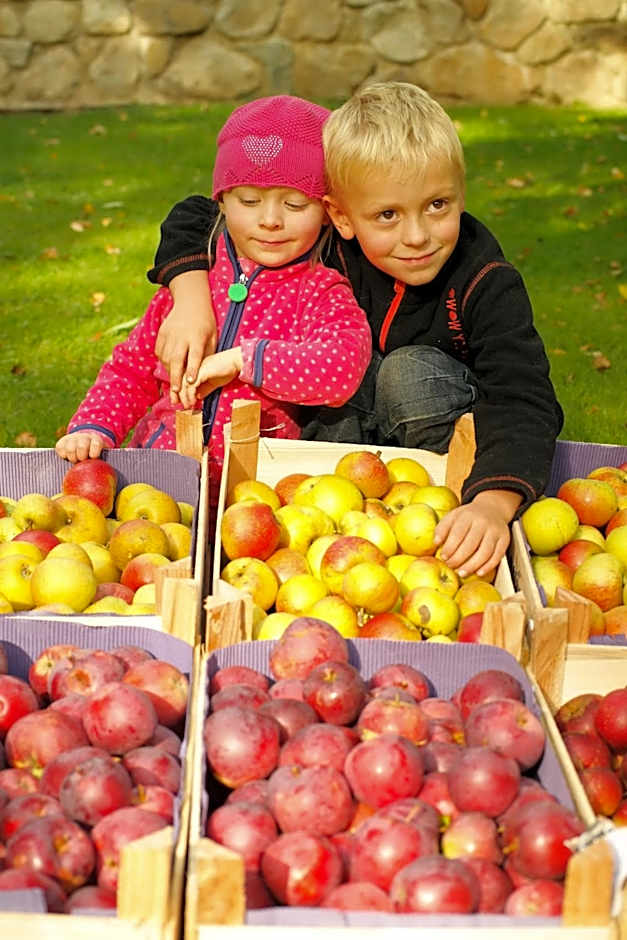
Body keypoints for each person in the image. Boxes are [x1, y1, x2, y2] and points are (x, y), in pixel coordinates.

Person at [147, 82, 563, 578]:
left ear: (461, 194)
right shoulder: (326, 244)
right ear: (339, 216)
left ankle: (446, 513)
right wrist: (191, 299)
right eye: (387, 215)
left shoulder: (484, 282)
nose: (416, 235)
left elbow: (522, 394)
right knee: (341, 388)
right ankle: (340, 518)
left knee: (406, 374)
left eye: (438, 205)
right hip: (348, 434)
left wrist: (493, 503)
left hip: (438, 435)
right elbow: (198, 213)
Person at [55, 95, 372, 502]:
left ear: (327, 210)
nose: (270, 219)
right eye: (249, 200)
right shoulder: (196, 279)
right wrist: (94, 426)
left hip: (257, 493)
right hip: (157, 478)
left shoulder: (319, 291)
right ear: (221, 200)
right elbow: (133, 369)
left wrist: (245, 360)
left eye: (295, 204)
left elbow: (341, 368)